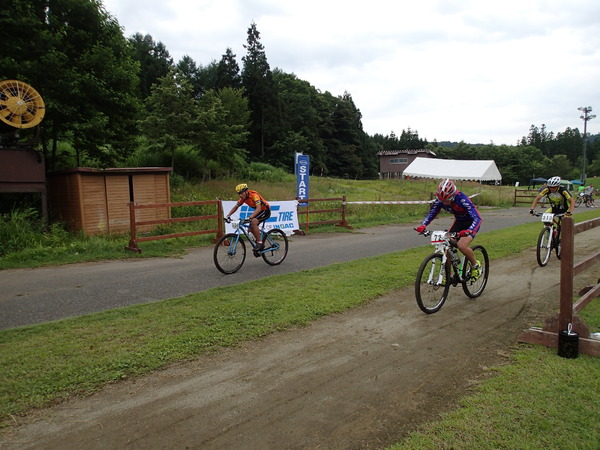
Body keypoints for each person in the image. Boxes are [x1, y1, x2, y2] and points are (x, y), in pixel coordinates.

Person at [415, 179, 483, 280]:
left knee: (461, 246)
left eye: (447, 200)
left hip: (470, 223)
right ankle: (448, 275)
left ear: (453, 195)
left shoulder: (462, 199)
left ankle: (475, 266)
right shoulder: (441, 200)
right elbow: (432, 212)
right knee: (446, 244)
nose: (445, 203)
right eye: (442, 201)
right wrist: (423, 225)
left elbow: (477, 218)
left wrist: (470, 230)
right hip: (459, 222)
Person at [226, 184, 271, 251]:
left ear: (246, 191)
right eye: (239, 194)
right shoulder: (243, 198)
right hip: (259, 211)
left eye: (241, 193)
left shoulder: (254, 195)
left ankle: (259, 242)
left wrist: (250, 217)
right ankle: (259, 245)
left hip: (265, 210)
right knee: (249, 230)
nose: (240, 195)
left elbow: (258, 208)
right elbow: (236, 207)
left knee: (253, 222)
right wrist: (228, 216)